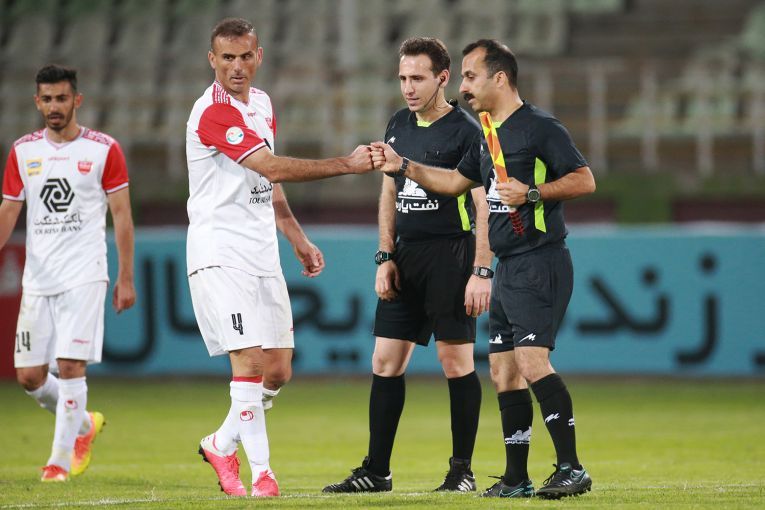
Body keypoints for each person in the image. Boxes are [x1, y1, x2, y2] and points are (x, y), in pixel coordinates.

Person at [371, 39, 596, 500]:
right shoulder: (489, 132)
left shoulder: (539, 127)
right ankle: (516, 478)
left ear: (500, 78)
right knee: (502, 373)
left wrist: (532, 193)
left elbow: (584, 179)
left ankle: (572, 468)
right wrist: (404, 166)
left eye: (471, 76)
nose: (464, 86)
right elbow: (456, 182)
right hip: (509, 264)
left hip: (540, 259)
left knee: (531, 363)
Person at [186, 18, 373, 498]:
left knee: (278, 370)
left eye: (245, 56)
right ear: (212, 60)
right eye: (227, 57)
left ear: (259, 56)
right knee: (249, 360)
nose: (237, 66)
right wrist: (347, 165)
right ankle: (263, 476)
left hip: (261, 251)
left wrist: (295, 236)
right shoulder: (211, 112)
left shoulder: (263, 104)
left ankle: (220, 443)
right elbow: (269, 164)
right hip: (220, 250)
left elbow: (265, 181)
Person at [323, 37, 491, 495]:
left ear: (442, 78)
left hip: (450, 255)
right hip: (407, 255)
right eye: (402, 78)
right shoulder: (398, 123)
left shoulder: (466, 131)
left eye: (417, 78)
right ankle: (377, 471)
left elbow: (482, 204)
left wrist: (481, 270)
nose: (408, 87)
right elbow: (388, 192)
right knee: (384, 360)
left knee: (455, 362)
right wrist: (385, 255)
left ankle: (461, 472)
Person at [0, 65, 136, 482]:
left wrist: (126, 276)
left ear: (77, 100)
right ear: (37, 102)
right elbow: (9, 210)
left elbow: (122, 215)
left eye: (61, 98)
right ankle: (84, 425)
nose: (54, 106)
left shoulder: (104, 149)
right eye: (47, 99)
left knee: (71, 365)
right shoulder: (23, 151)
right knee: (29, 377)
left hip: (84, 272)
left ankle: (57, 464)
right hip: (39, 277)